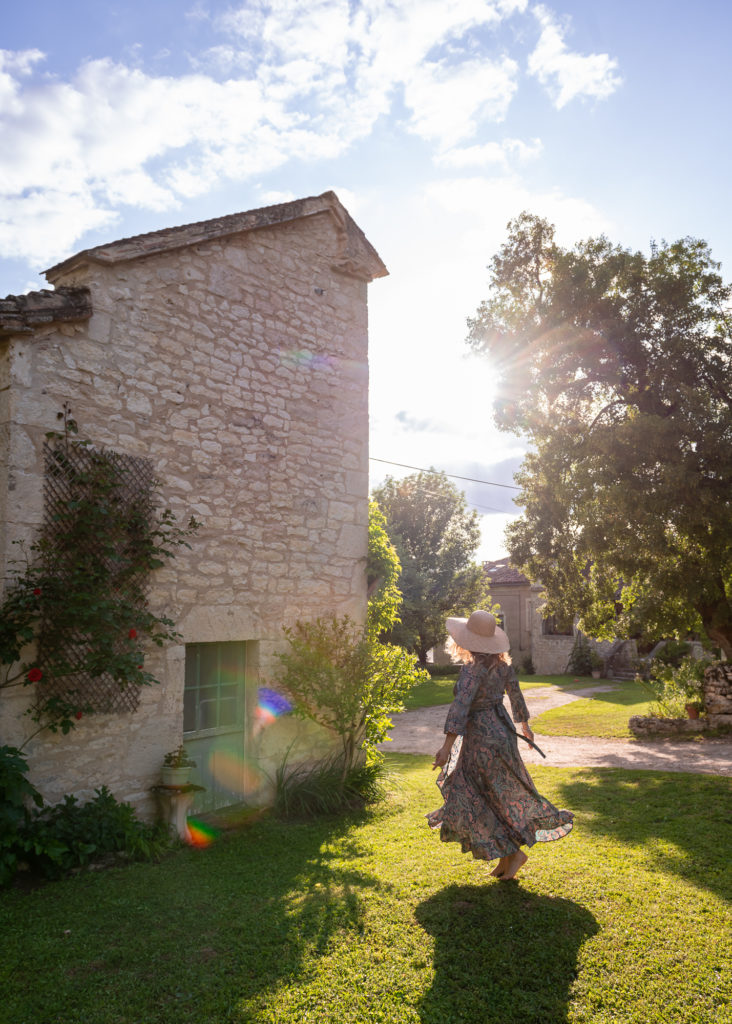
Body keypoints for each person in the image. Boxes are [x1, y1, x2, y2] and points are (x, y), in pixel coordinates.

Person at [426, 610, 573, 880]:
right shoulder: (503, 667)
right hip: (502, 735)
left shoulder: (472, 671)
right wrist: (525, 727)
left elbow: (460, 708)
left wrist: (446, 748)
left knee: (479, 795)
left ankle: (513, 855)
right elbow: (516, 695)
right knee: (498, 796)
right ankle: (508, 858)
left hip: (481, 739)